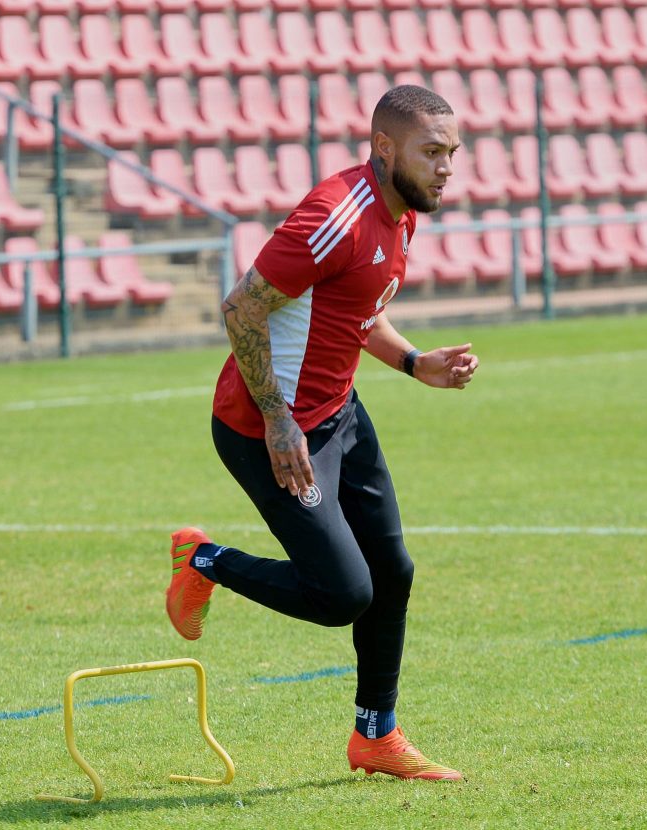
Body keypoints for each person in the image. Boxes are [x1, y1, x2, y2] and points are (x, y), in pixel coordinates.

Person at [165, 85, 478, 781]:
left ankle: (376, 736)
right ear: (384, 148)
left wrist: (412, 362)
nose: (447, 167)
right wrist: (278, 421)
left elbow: (352, 312)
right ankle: (201, 561)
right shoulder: (334, 216)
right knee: (343, 595)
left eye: (452, 153)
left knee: (392, 572)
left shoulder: (403, 214)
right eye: (432, 152)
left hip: (339, 415)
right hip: (263, 428)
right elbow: (242, 307)